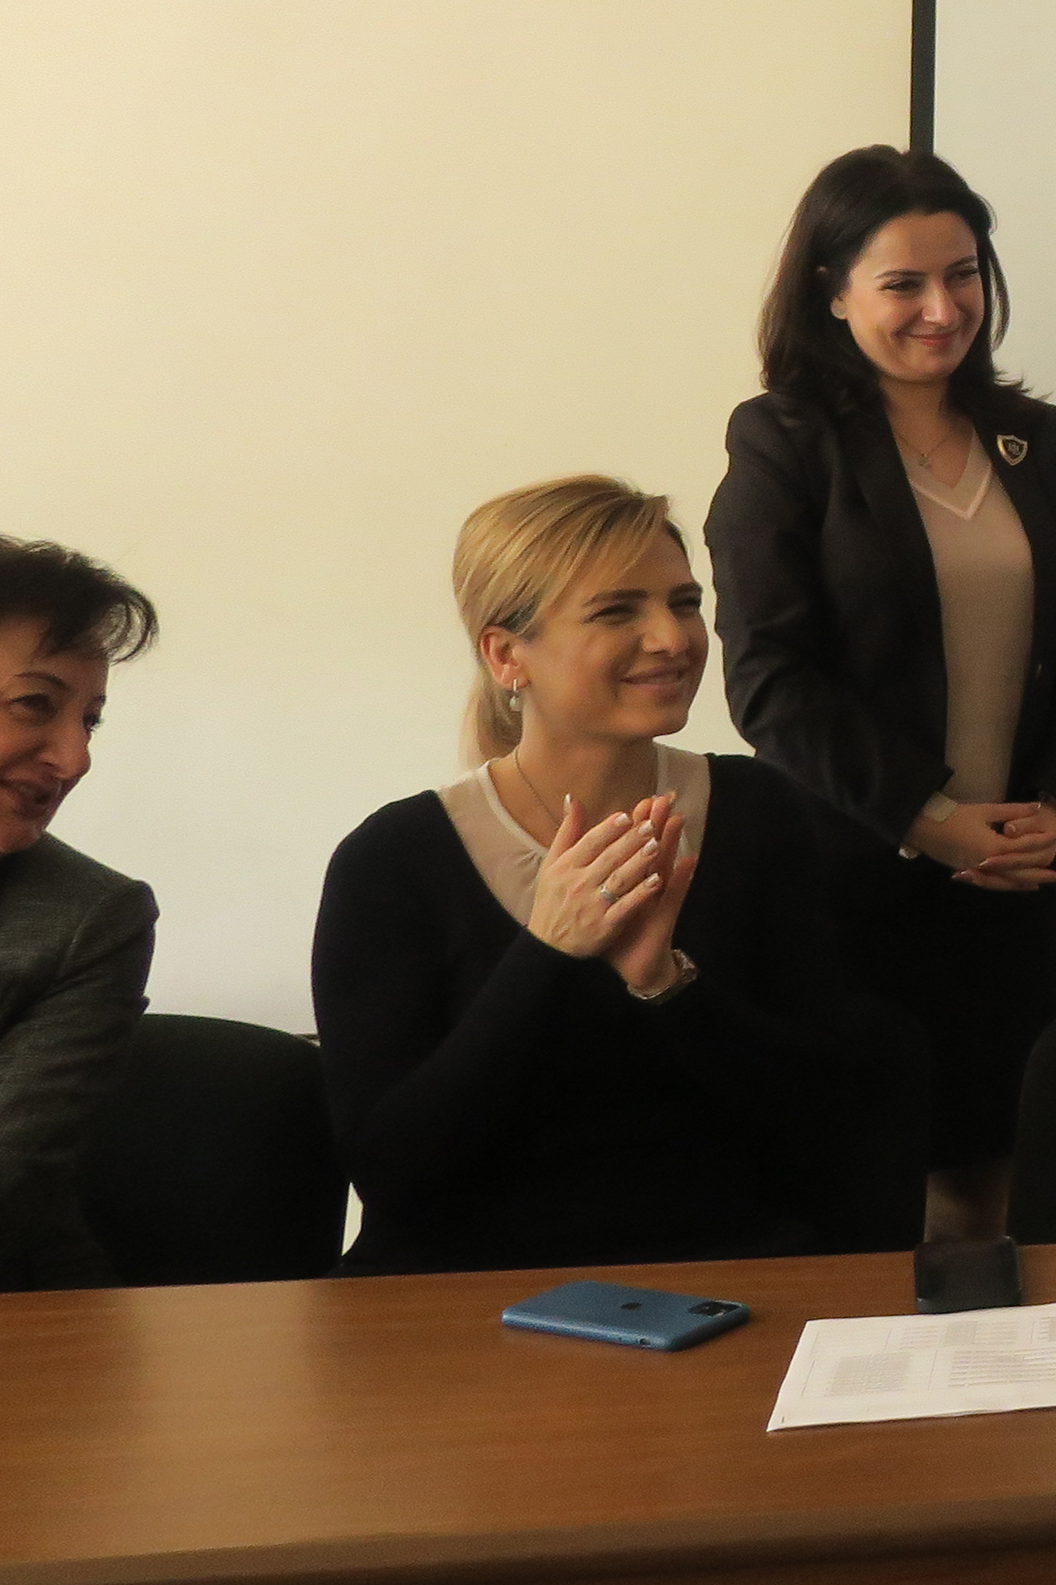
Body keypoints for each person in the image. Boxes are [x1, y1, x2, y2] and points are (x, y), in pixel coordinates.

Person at [315, 477, 888, 1276]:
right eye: (617, 612)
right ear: (506, 655)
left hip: (722, 1274)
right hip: (467, 1293)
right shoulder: (393, 859)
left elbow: (831, 1125)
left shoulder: (760, 812)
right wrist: (546, 952)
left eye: (684, 603)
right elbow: (394, 1172)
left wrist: (668, 986)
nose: (672, 638)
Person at [707, 146, 1056, 1244]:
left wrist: (1055, 810)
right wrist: (929, 820)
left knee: (1003, 1184)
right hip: (852, 883)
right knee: (870, 1192)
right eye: (904, 284)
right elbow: (768, 680)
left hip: (1016, 881)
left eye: (964, 274)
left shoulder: (1036, 440)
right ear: (832, 292)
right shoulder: (784, 441)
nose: (944, 309)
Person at [0, 536, 161, 1292]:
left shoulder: (91, 918)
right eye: (34, 706)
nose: (74, 759)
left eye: (90, 720)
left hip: (11, 1320)